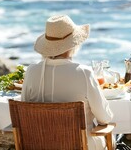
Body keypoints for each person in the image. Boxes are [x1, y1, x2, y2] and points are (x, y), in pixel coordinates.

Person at [22, 15, 113, 150]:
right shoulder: (83, 73)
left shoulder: (31, 71)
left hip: (39, 145)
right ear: (73, 44)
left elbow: (25, 112)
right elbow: (105, 118)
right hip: (81, 145)